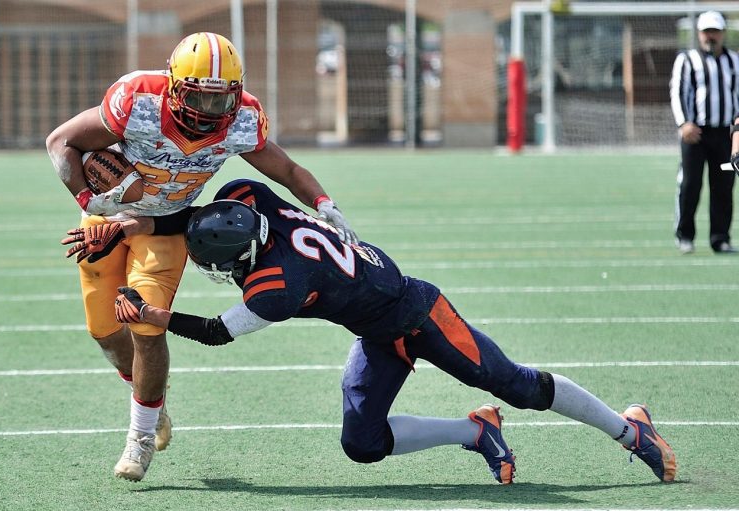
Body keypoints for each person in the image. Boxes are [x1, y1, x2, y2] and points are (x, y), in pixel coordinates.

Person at [65, 178, 677, 484]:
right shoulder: (247, 198)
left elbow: (219, 332)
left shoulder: (273, 286)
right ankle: (474, 432)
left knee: (516, 383)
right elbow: (188, 215)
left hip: (420, 315)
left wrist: (153, 317)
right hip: (375, 329)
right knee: (362, 444)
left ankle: (630, 429)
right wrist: (125, 223)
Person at [46, 32, 357, 482]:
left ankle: (140, 436)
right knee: (105, 331)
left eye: (220, 101)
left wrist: (324, 202)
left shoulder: (243, 120)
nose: (210, 112)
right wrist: (88, 199)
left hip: (165, 226)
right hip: (108, 219)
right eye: (199, 98)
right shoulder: (137, 100)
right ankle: (150, 396)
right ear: (174, 86)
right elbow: (61, 142)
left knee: (147, 326)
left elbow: (286, 169)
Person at [670, 10, 739, 255]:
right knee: (690, 185)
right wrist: (683, 124)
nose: (711, 36)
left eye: (715, 31)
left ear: (723, 33)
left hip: (725, 135)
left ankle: (720, 238)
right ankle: (684, 235)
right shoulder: (687, 60)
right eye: (706, 31)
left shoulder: (734, 61)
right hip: (695, 134)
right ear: (699, 33)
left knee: (723, 187)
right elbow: (678, 93)